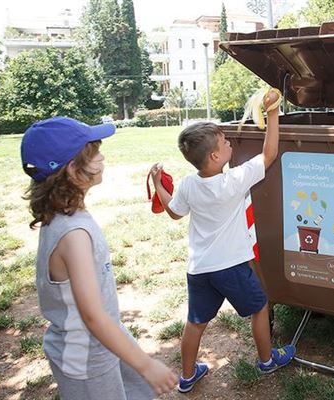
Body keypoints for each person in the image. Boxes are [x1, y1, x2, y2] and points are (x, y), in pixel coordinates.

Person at [21, 117, 177, 400]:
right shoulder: (74, 235)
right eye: (94, 153)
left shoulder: (63, 214)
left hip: (105, 334)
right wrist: (146, 364)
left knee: (141, 391)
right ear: (74, 171)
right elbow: (92, 316)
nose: (102, 156)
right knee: (140, 381)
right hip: (85, 354)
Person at [150, 88, 294, 394]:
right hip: (232, 266)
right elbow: (269, 155)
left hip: (199, 268)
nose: (230, 144)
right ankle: (267, 361)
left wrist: (156, 183)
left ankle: (187, 376)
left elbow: (174, 212)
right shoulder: (233, 181)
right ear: (216, 156)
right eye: (226, 142)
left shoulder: (189, 183)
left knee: (196, 322)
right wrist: (271, 112)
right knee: (260, 308)